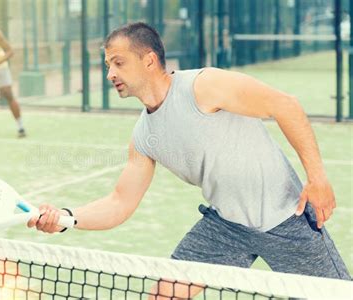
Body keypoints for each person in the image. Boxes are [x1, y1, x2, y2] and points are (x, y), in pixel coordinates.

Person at [26, 23, 350, 298]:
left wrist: (317, 178)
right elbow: (120, 202)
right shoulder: (144, 135)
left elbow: (286, 105)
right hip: (226, 227)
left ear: (149, 60)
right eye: (108, 65)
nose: (110, 73)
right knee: (163, 294)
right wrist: (66, 218)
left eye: (119, 63)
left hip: (287, 219)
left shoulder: (204, 86)